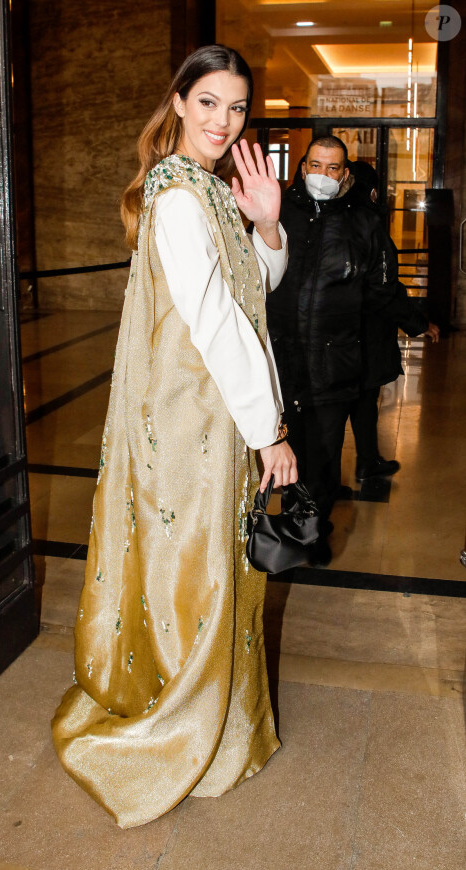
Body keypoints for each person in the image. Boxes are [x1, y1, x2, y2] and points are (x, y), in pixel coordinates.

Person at [52, 44, 297, 829]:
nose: (224, 121)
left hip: (211, 409)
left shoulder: (207, 189)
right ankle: (185, 727)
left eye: (237, 107)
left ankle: (214, 719)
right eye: (209, 103)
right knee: (198, 565)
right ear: (180, 103)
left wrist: (267, 226)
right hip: (196, 414)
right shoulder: (180, 196)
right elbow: (218, 323)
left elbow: (251, 290)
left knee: (209, 558)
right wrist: (271, 434)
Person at [266, 136, 401, 564]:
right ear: (303, 166)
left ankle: (311, 531)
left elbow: (381, 291)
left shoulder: (364, 222)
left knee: (323, 457)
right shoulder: (278, 212)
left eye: (333, 168)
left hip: (334, 363)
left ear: (345, 174)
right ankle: (292, 521)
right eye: (316, 165)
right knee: (289, 452)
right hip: (282, 363)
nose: (322, 175)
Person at [348, 160, 439, 482]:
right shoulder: (371, 225)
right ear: (373, 192)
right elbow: (386, 290)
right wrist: (418, 323)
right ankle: (366, 463)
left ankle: (335, 475)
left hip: (331, 333)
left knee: (333, 410)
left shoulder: (324, 219)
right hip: (367, 332)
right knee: (364, 400)